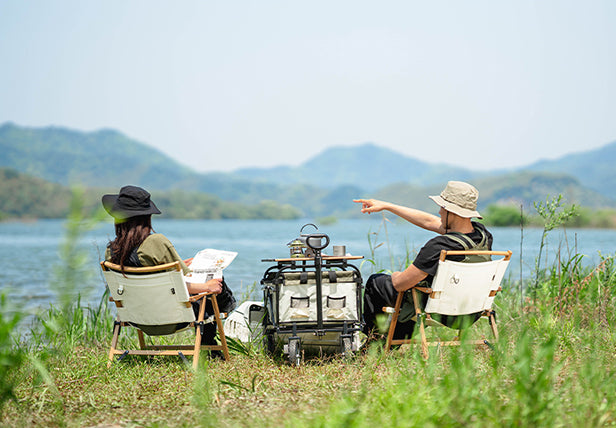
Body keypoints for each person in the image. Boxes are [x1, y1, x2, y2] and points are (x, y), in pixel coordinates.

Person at [354, 181, 492, 341]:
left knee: (377, 282)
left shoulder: (439, 246)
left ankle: (375, 341)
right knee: (415, 295)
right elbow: (430, 222)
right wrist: (387, 206)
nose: (439, 212)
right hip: (471, 312)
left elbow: (401, 284)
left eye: (443, 207)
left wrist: (396, 275)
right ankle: (390, 340)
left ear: (451, 211)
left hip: (443, 313)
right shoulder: (483, 236)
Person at [102, 185, 236, 348]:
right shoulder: (155, 242)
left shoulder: (111, 252)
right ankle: (209, 344)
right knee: (214, 283)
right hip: (173, 319)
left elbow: (152, 272)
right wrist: (207, 286)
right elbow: (181, 285)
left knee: (204, 285)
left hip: (137, 318)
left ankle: (209, 344)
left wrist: (180, 264)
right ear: (146, 217)